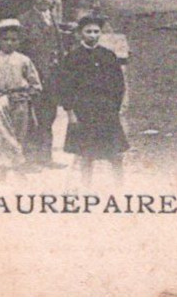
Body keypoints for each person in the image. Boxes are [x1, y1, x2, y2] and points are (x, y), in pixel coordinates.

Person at [54, 14, 128, 185]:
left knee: (116, 154)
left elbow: (118, 84)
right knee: (86, 155)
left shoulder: (108, 56)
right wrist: (70, 112)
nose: (93, 35)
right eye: (89, 31)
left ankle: (120, 188)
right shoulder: (72, 58)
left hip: (106, 110)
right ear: (80, 33)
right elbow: (65, 87)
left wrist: (116, 107)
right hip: (84, 111)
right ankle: (86, 188)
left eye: (96, 31)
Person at [0, 18, 42, 183]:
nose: (9, 43)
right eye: (5, 39)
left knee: (18, 133)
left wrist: (28, 94)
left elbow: (35, 83)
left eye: (14, 40)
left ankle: (17, 168)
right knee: (3, 135)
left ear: (19, 41)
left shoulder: (24, 60)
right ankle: (3, 169)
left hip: (19, 100)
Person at [15, 0, 63, 169]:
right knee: (31, 118)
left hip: (51, 77)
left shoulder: (52, 18)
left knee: (49, 116)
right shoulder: (25, 20)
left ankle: (45, 157)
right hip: (33, 77)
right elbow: (20, 50)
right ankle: (29, 159)